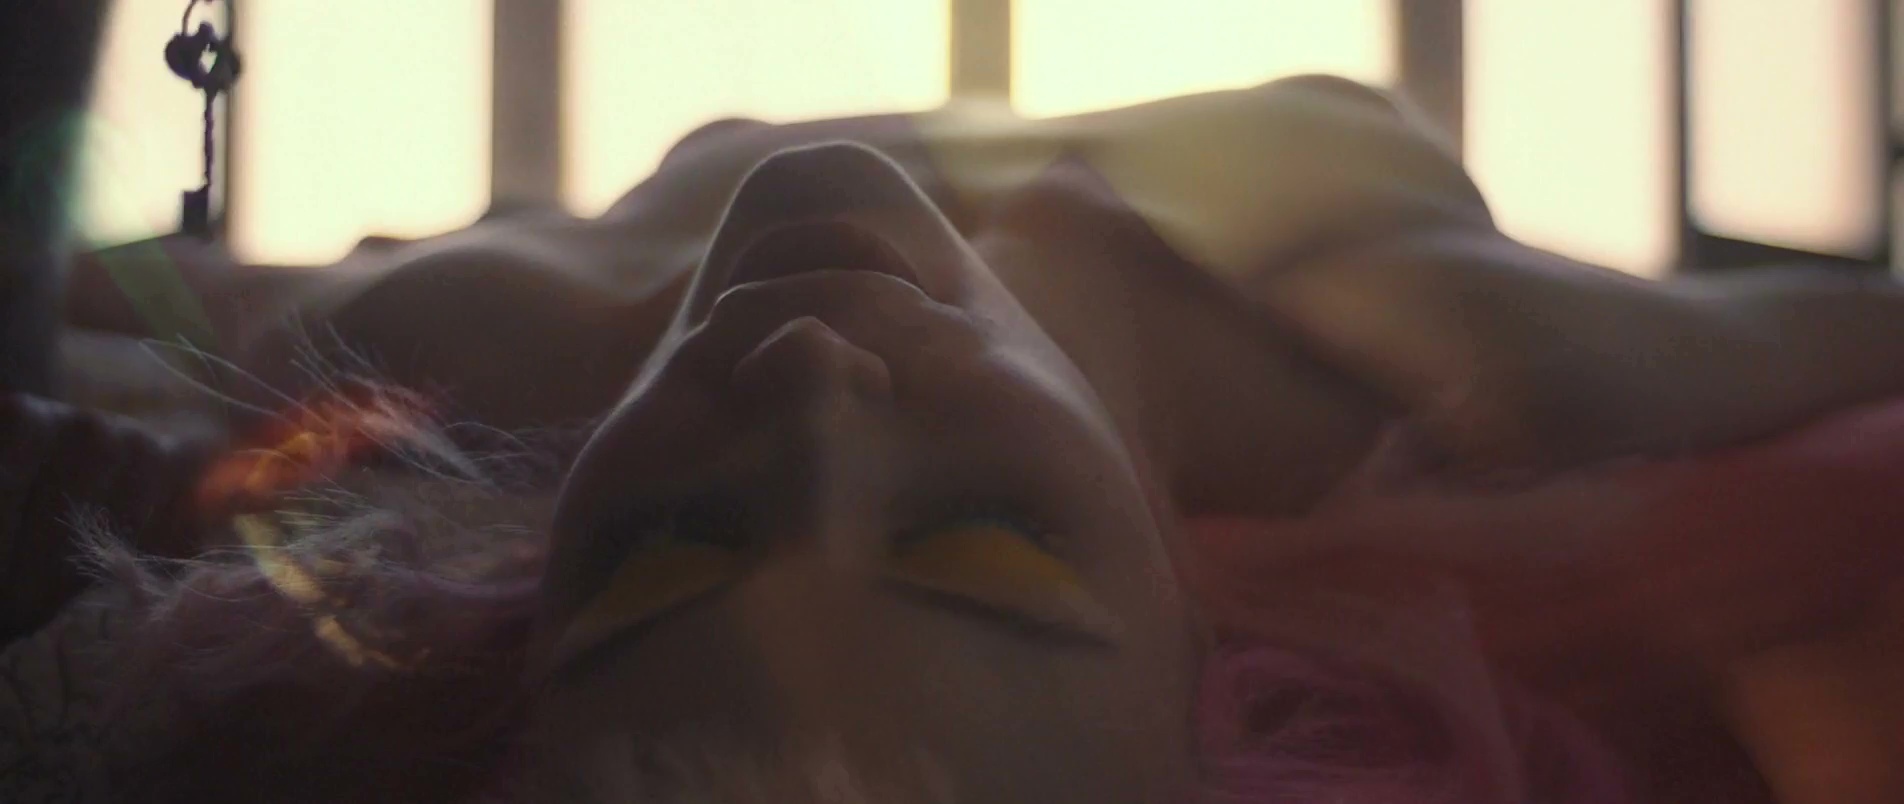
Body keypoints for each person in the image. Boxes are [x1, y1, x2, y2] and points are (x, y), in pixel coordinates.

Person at [7, 5, 1904, 802]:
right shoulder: (1461, 366)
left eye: (664, 554)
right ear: (1209, 645)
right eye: (983, 542)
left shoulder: (408, 380)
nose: (808, 393)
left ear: (517, 607)